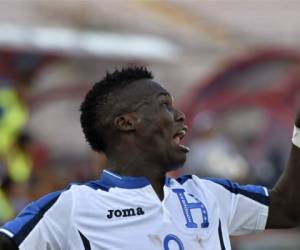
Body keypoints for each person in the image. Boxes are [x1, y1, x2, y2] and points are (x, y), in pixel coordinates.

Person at [0, 67, 299, 250]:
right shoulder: (73, 207)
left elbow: (289, 208)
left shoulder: (209, 194)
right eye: (164, 106)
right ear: (127, 122)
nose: (180, 116)